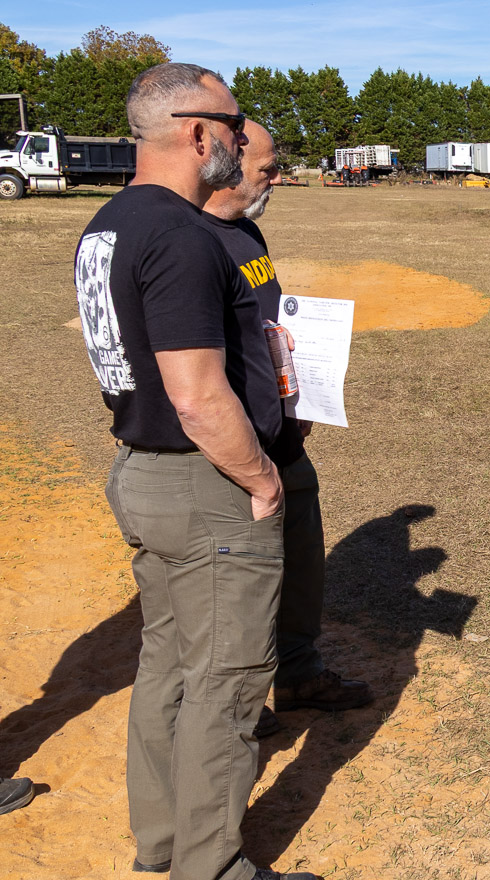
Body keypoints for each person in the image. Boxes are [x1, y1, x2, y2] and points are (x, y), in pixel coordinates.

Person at [74, 62, 317, 880]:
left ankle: (164, 844)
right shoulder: (180, 234)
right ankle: (209, 866)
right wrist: (262, 479)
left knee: (169, 667)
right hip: (202, 485)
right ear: (197, 131)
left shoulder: (109, 222)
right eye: (235, 123)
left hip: (143, 471)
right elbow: (196, 394)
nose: (244, 139)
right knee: (228, 682)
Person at [202, 120, 373, 738]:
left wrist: (299, 394)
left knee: (301, 560)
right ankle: (238, 710)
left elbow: (266, 323)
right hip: (234, 442)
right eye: (267, 168)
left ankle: (298, 672)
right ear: (227, 161)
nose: (277, 178)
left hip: (282, 433)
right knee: (240, 584)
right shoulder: (192, 240)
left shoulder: (246, 233)